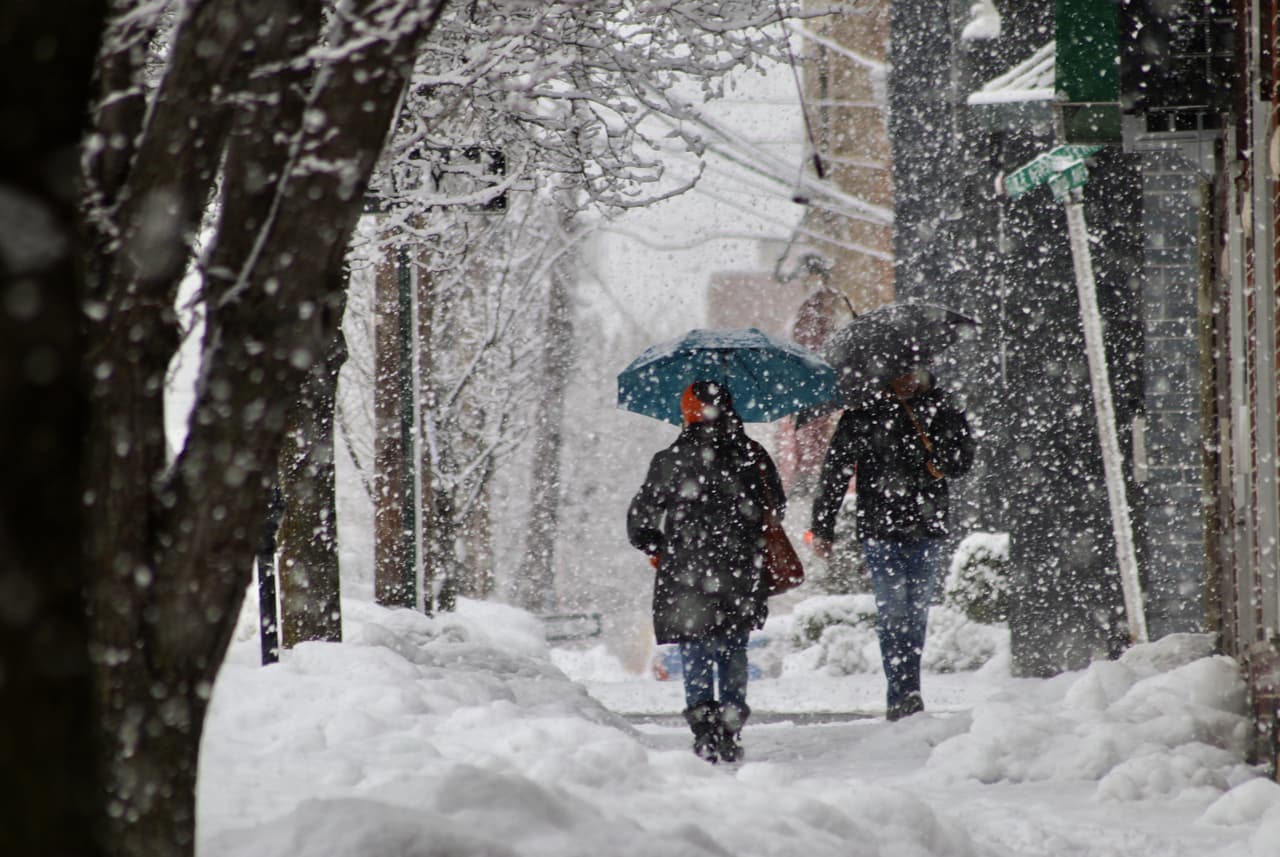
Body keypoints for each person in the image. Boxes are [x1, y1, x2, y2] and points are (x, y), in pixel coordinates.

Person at [627, 381, 785, 763]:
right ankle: (731, 725)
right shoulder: (752, 453)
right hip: (741, 569)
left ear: (691, 412)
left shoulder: (671, 459)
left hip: (687, 572)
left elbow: (640, 519)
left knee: (696, 648)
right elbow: (776, 506)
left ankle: (704, 728)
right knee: (732, 649)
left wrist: (656, 546)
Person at [808, 367, 974, 721]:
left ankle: (907, 689)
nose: (908, 379)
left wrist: (939, 458)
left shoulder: (941, 408)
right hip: (880, 529)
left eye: (914, 372)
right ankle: (902, 694)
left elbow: (963, 461)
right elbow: (835, 470)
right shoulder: (863, 413)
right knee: (895, 613)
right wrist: (822, 527)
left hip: (927, 527)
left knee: (915, 615)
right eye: (901, 373)